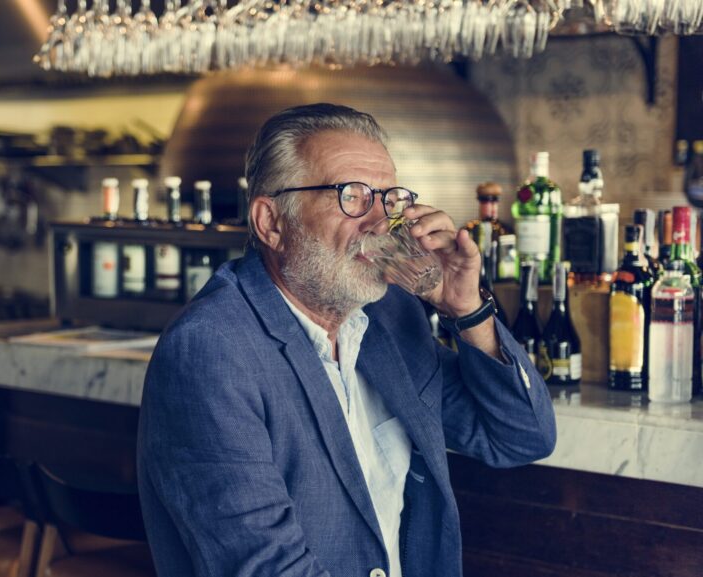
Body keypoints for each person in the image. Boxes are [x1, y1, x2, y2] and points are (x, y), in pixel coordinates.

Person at [137, 103, 556, 577]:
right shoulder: (211, 351)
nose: (381, 222)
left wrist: (468, 310)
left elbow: (520, 437)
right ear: (271, 222)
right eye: (351, 196)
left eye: (389, 199)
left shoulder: (388, 315)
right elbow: (267, 569)